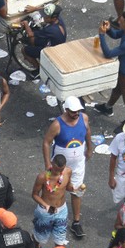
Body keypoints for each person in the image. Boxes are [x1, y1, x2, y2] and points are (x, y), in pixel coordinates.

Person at [43, 97, 91, 239]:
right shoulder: (57, 124)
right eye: (73, 112)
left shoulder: (85, 118)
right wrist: (47, 164)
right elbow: (46, 142)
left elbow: (87, 132)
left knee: (76, 191)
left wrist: (89, 148)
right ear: (66, 110)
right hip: (60, 166)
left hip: (78, 163)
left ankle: (76, 222)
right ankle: (52, 215)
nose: (76, 114)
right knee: (56, 189)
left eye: (78, 111)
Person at [95, 15, 125, 123]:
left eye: (121, 22)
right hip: (122, 70)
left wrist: (102, 35)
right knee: (116, 90)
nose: (118, 23)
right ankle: (108, 108)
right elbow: (116, 35)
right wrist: (108, 30)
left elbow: (108, 54)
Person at [31, 155, 74, 248]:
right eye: (56, 170)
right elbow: (34, 194)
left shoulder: (68, 172)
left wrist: (73, 188)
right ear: (51, 163)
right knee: (39, 237)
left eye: (61, 170)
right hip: (45, 212)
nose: (58, 173)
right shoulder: (42, 177)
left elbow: (68, 187)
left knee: (60, 240)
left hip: (62, 211)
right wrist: (46, 206)